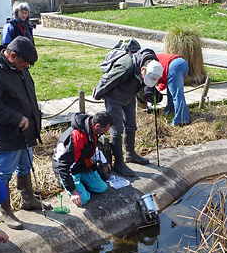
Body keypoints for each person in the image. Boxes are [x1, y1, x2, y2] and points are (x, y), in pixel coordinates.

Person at [0, 36, 50, 231]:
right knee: (3, 173)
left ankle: (28, 199)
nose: (26, 67)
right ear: (12, 55)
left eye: (28, 64)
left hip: (25, 132)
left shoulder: (19, 67)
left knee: (25, 165)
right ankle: (4, 211)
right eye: (24, 63)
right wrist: (16, 118)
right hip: (6, 134)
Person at [93, 49, 163, 177]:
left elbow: (149, 82)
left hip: (130, 95)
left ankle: (130, 153)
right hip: (114, 98)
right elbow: (107, 79)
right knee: (116, 129)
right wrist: (99, 93)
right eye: (145, 77)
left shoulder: (154, 64)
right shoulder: (126, 67)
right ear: (143, 69)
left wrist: (151, 92)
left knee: (131, 124)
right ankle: (119, 163)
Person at [52, 111, 113, 207]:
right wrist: (73, 191)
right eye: (105, 130)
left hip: (82, 164)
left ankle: (82, 184)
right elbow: (63, 166)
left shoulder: (91, 129)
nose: (105, 133)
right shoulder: (76, 138)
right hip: (69, 169)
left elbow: (94, 149)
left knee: (102, 188)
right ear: (97, 126)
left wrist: (104, 163)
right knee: (83, 199)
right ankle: (68, 183)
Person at [155, 53, 190, 126]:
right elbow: (163, 74)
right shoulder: (151, 58)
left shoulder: (148, 66)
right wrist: (160, 86)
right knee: (171, 93)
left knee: (177, 95)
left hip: (174, 67)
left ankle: (181, 120)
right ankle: (169, 112)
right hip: (181, 63)